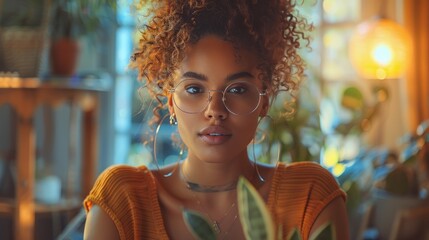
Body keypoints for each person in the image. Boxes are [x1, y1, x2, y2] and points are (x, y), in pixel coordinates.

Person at [83, 0, 350, 239]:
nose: (215, 110)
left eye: (237, 89)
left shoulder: (309, 195)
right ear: (171, 102)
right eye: (194, 89)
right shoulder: (123, 199)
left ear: (264, 101)